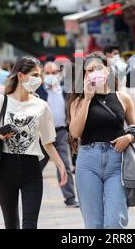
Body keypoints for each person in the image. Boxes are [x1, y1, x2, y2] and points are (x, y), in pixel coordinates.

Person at [0, 56, 68, 229]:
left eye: (39, 75)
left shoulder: (42, 106)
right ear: (20, 76)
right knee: (11, 225)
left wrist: (61, 166)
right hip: (6, 169)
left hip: (32, 169)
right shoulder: (0, 101)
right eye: (34, 74)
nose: (38, 79)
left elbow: (48, 142)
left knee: (30, 225)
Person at [68, 51, 135, 229]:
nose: (94, 72)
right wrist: (87, 99)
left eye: (98, 68)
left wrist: (129, 137)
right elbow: (75, 132)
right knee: (94, 224)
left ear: (107, 70)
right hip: (88, 162)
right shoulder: (78, 100)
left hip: (116, 162)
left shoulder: (123, 98)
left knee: (115, 222)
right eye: (89, 70)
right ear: (85, 75)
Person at [36, 62, 79, 208]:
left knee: (64, 165)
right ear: (42, 73)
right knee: (35, 167)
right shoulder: (37, 91)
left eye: (54, 72)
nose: (51, 76)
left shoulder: (65, 91)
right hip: (42, 135)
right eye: (47, 73)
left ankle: (70, 198)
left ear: (59, 72)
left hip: (60, 132)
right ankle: (28, 195)